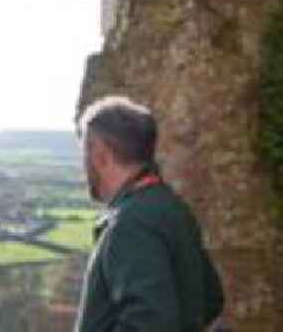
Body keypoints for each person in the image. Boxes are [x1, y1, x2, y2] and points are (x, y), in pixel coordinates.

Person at [74, 96, 224, 332]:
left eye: (85, 151)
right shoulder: (170, 207)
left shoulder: (129, 224)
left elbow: (149, 324)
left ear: (100, 155)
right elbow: (211, 300)